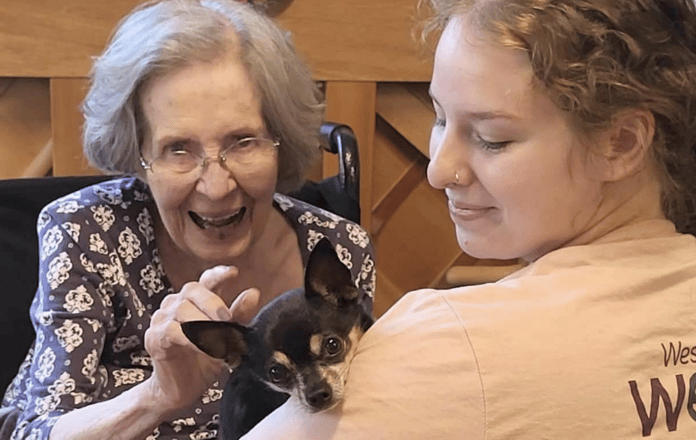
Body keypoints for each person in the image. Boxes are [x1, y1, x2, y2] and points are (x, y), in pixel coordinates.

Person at [241, 0, 696, 438]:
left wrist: (165, 402)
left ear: (620, 144)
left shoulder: (453, 347)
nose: (439, 170)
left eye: (490, 138)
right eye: (438, 116)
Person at [0, 1, 375, 439]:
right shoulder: (85, 234)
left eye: (244, 141)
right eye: (178, 149)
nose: (216, 186)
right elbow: (35, 431)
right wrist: (156, 396)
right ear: (137, 153)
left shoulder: (339, 246)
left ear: (280, 141)